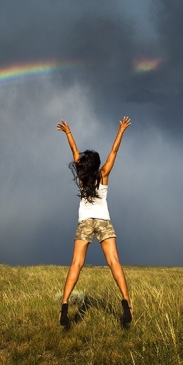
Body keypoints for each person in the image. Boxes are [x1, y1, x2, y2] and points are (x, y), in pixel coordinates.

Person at [56, 116, 132, 326]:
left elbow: (74, 152)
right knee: (114, 262)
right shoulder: (104, 174)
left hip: (85, 222)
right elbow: (114, 151)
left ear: (83, 165)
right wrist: (121, 130)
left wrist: (68, 132)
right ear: (97, 165)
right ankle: (126, 305)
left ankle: (64, 307)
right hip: (103, 221)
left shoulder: (81, 178)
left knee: (76, 264)